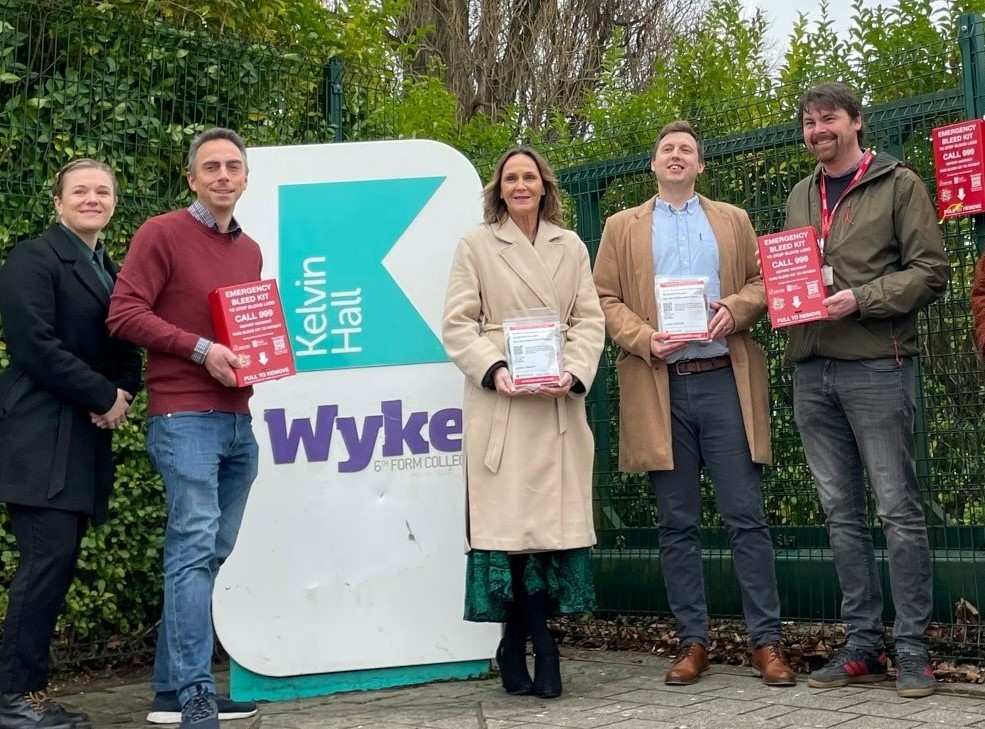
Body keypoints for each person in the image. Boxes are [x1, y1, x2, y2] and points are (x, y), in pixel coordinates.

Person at [593, 120, 795, 687]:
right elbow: (604, 298)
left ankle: (768, 643)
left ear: (701, 165)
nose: (676, 156)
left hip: (724, 379)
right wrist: (642, 338)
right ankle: (692, 642)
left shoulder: (732, 220)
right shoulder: (620, 227)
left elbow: (762, 281)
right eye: (667, 149)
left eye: (686, 150)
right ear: (653, 165)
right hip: (661, 383)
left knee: (746, 517)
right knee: (677, 523)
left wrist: (735, 307)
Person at [784, 83, 949, 699]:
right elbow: (795, 273)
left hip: (877, 364)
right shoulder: (800, 194)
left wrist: (863, 298)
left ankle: (913, 651)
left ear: (856, 123)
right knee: (841, 516)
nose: (817, 130)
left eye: (828, 119)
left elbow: (932, 270)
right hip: (811, 369)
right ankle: (863, 645)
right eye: (808, 122)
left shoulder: (900, 183)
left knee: (899, 512)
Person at [107, 128, 262, 729]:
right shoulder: (161, 233)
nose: (223, 176)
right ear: (192, 178)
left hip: (236, 418)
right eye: (211, 167)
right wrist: (201, 351)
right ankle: (197, 690)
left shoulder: (248, 250)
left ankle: (172, 690)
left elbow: (243, 332)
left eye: (233, 167)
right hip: (182, 416)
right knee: (194, 550)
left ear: (246, 178)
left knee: (209, 554)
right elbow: (124, 313)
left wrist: (260, 356)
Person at [441, 147, 605, 699]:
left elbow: (589, 319)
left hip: (556, 403)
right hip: (503, 405)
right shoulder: (476, 245)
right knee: (511, 533)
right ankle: (544, 645)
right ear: (499, 187)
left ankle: (516, 646)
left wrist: (576, 371)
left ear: (543, 185)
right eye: (510, 177)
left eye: (528, 177)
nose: (519, 185)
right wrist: (495, 369)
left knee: (541, 533)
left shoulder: (571, 245)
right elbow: (457, 324)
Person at [0, 159, 142, 729]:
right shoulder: (33, 258)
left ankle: (25, 695)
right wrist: (102, 393)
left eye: (101, 190)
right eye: (79, 191)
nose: (91, 198)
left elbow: (127, 341)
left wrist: (123, 392)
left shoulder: (110, 268)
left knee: (54, 568)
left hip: (77, 441)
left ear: (113, 203)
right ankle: (14, 699)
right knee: (43, 567)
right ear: (57, 203)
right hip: (40, 437)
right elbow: (34, 345)